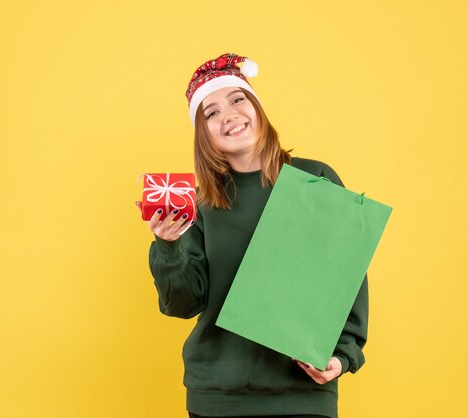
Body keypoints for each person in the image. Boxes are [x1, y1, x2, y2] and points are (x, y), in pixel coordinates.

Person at [136, 53, 368, 418]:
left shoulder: (315, 178)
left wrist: (343, 355)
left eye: (237, 99)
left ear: (257, 108)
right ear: (203, 134)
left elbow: (346, 274)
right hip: (217, 397)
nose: (228, 115)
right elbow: (183, 304)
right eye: (210, 113)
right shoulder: (198, 203)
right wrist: (169, 246)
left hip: (301, 395)